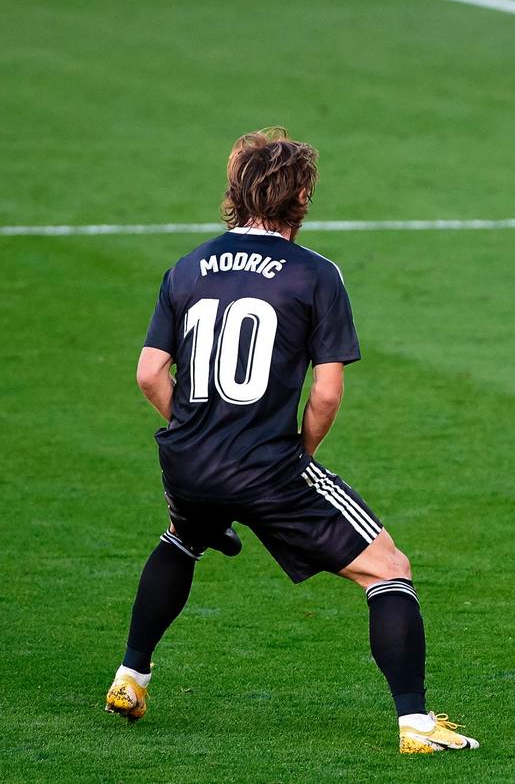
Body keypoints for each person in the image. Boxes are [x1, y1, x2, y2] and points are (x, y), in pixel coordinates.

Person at [104, 127, 479, 752]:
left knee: (184, 536)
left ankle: (130, 677)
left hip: (189, 459)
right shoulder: (314, 274)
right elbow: (326, 395)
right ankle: (416, 725)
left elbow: (148, 372)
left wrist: (195, 432)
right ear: (300, 196)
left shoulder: (188, 265)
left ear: (235, 191)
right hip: (268, 467)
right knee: (389, 570)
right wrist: (296, 458)